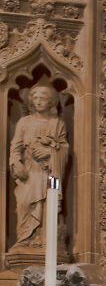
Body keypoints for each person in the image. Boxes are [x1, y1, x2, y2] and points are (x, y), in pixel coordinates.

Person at [9, 82, 68, 246]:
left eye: (43, 98)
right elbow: (15, 147)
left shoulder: (57, 124)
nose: (39, 101)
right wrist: (17, 164)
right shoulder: (24, 122)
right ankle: (25, 237)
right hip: (29, 173)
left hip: (51, 174)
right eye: (35, 98)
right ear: (31, 101)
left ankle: (45, 239)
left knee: (51, 200)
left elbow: (63, 149)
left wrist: (50, 153)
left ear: (51, 101)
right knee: (24, 203)